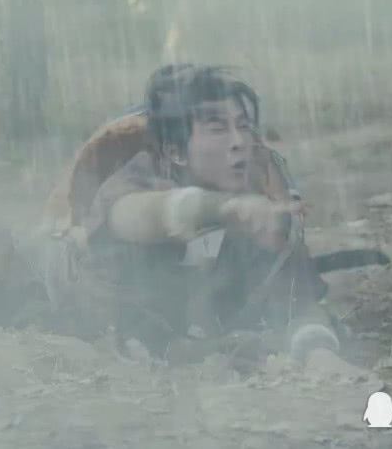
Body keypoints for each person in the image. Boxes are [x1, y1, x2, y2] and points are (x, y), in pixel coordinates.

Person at [81, 64, 342, 363]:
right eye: (218, 129)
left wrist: (321, 356)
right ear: (175, 152)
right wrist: (221, 209)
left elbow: (297, 303)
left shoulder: (259, 191)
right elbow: (132, 214)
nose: (239, 142)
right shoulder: (142, 175)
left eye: (243, 126)